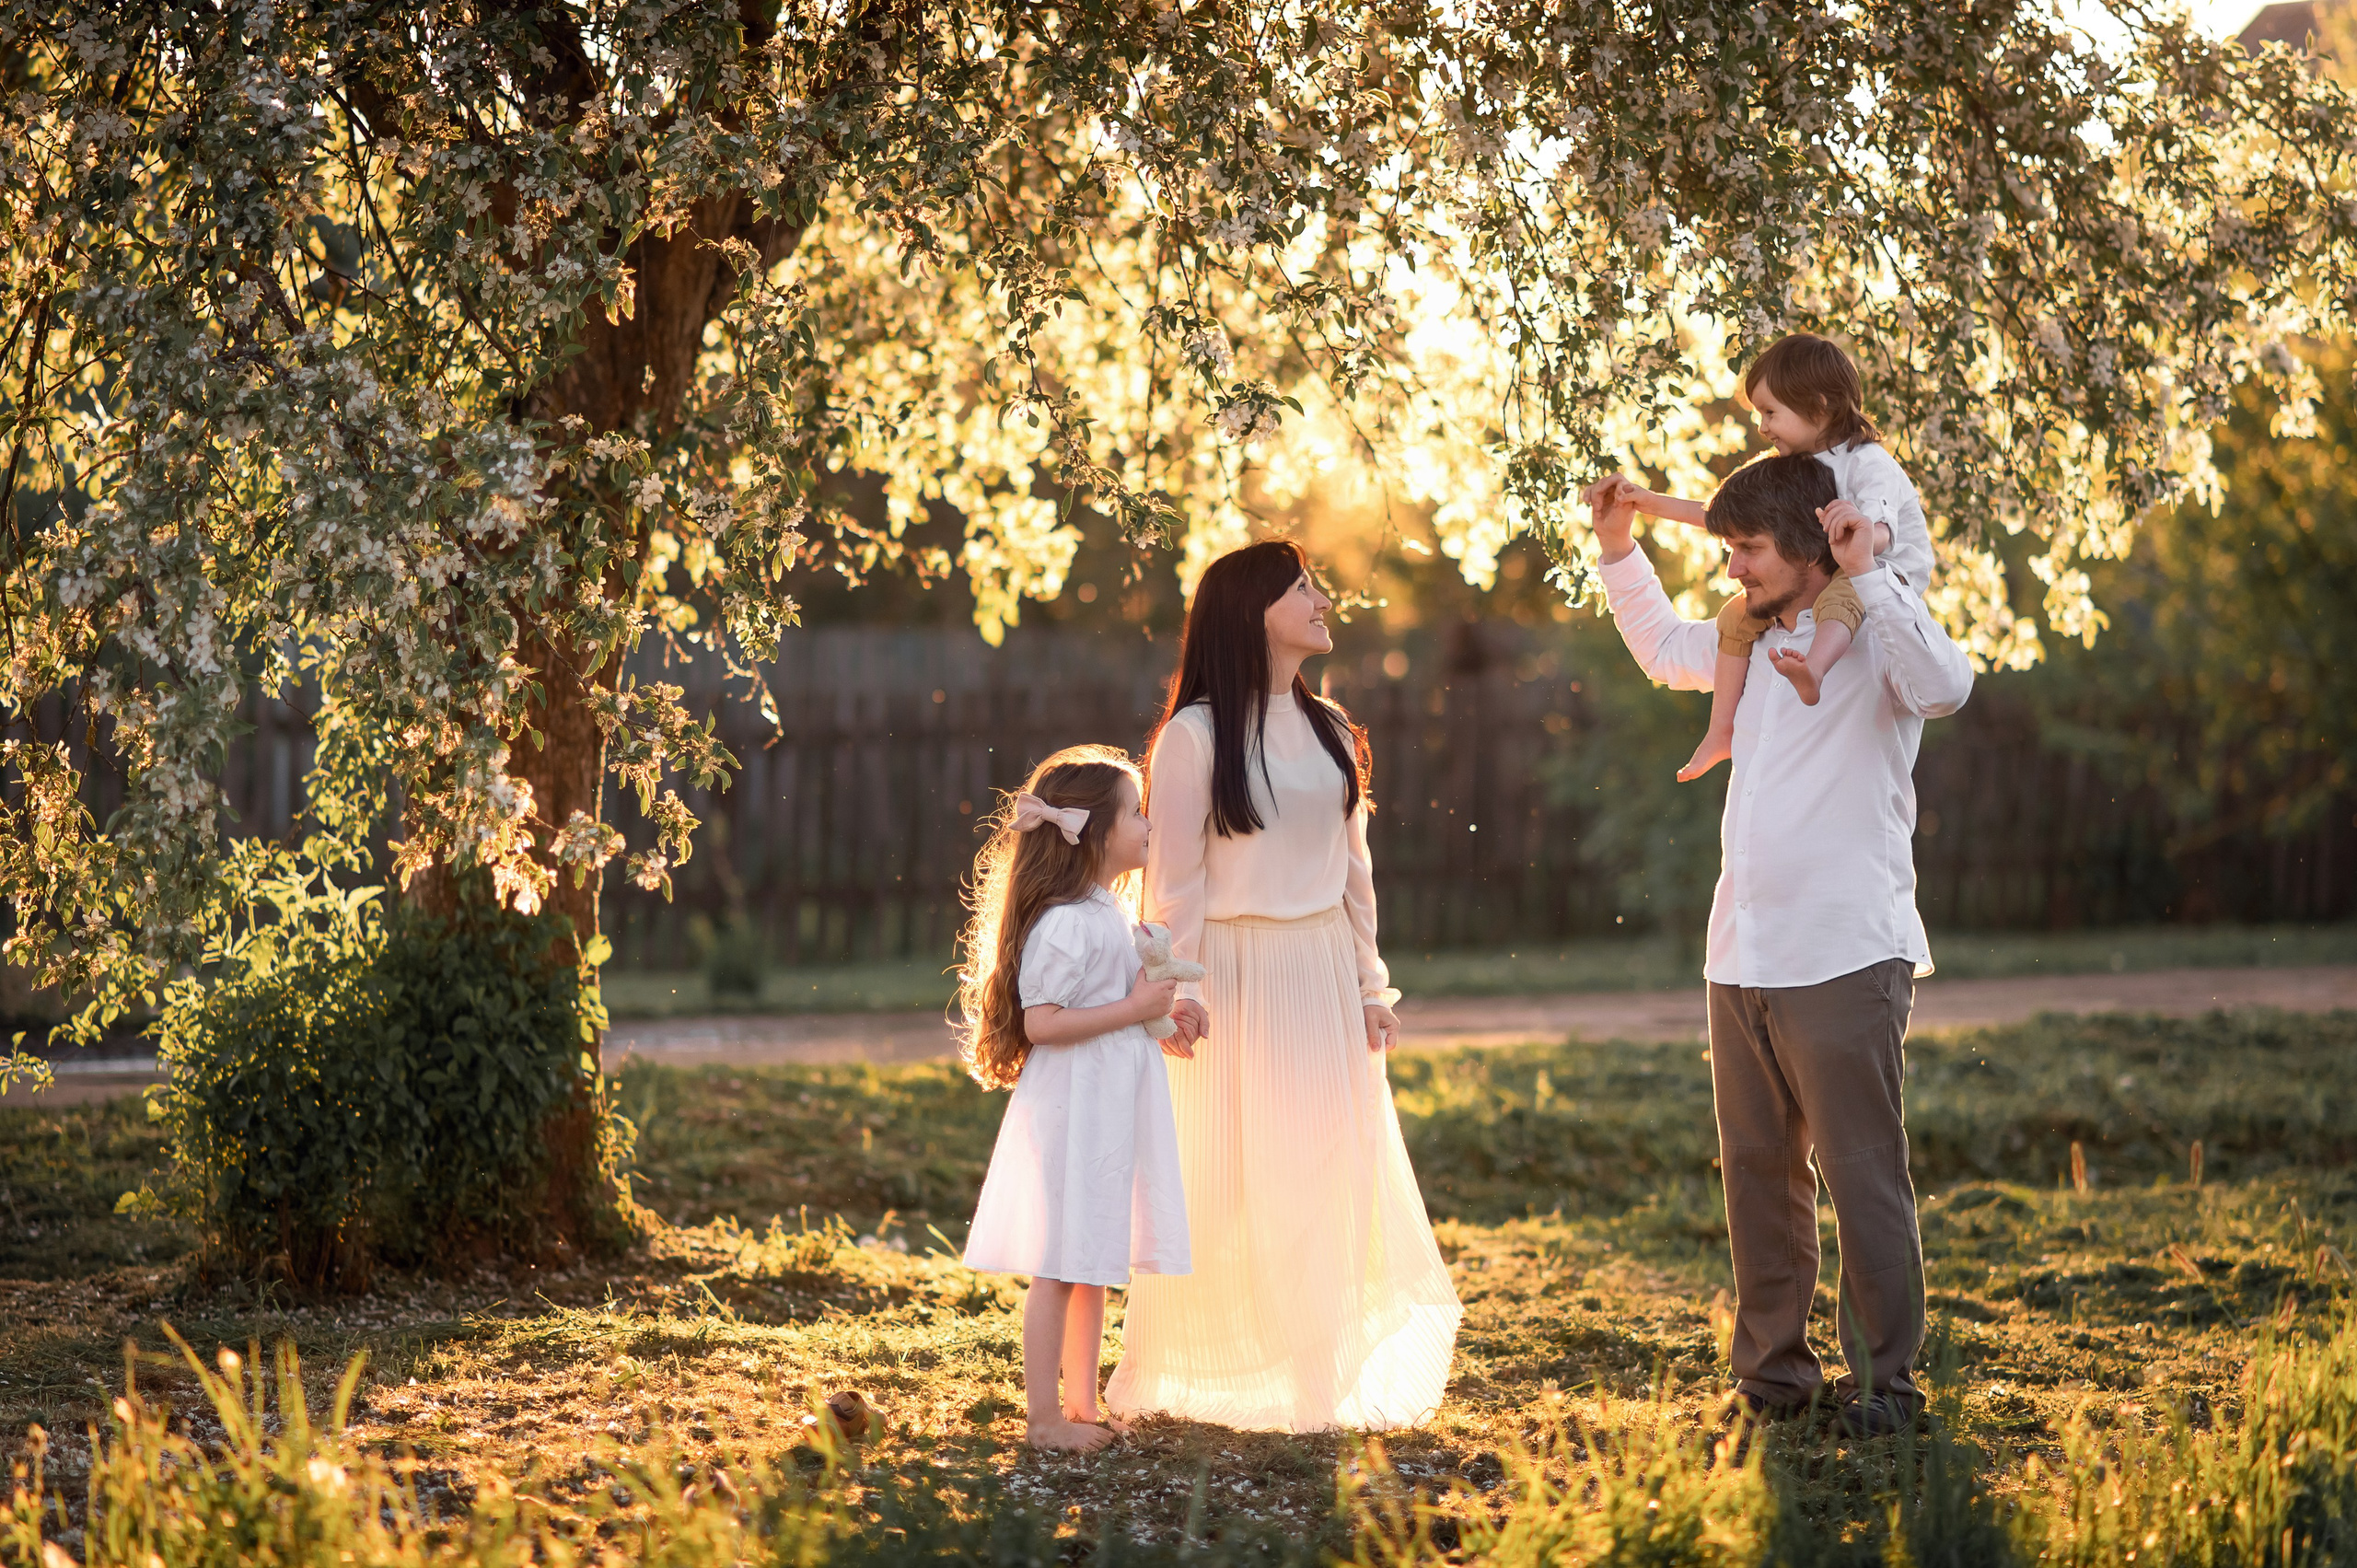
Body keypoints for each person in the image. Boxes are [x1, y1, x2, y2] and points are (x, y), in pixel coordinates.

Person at [1585, 454, 1973, 1437]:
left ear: (1808, 541)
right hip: (1741, 950)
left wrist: (1869, 573)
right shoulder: (1748, 640)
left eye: (1748, 551)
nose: (1734, 572)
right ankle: (1772, 1377)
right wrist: (1618, 549)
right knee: (1759, 1172)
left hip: (1843, 950)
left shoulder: (1871, 628)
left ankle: (1887, 1388)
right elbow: (1660, 643)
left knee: (1861, 1173)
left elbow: (1946, 684)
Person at [1107, 540, 1461, 1434]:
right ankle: (1205, 1377)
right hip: (1227, 981)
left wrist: (1371, 984)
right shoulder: (1190, 738)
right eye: (1302, 586)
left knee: (1323, 1173)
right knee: (1225, 1180)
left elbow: (1355, 872)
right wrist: (1171, 989)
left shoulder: (1334, 728)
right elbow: (1174, 884)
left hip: (1320, 978)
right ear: (1250, 609)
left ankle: (1316, 1386)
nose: (1322, 596)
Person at [957, 745, 1194, 1452]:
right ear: (1095, 831)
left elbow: (1121, 1005)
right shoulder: (1065, 920)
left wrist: (1166, 1017)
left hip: (1109, 1103)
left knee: (1093, 1257)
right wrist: (1132, 1010)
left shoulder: (1108, 911)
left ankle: (1082, 1403)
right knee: (1061, 1264)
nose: (1149, 823)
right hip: (1073, 1107)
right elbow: (1045, 1022)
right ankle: (1043, 1420)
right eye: (1135, 812)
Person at [1591, 332, 1936, 782]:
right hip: (1840, 573)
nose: (1763, 427)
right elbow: (1724, 519)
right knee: (1735, 619)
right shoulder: (1794, 468)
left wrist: (1855, 550)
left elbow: (1881, 533)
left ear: (1820, 405)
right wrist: (1644, 508)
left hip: (1876, 576)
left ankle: (1815, 666)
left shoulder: (1865, 461)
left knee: (1841, 598)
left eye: (1771, 412)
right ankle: (1720, 731)